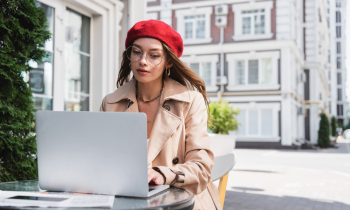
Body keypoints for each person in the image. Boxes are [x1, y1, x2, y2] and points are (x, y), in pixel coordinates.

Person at [100, 20, 221, 210]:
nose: (143, 61)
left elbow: (201, 170)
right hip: (127, 201)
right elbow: (101, 159)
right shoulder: (111, 102)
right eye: (137, 51)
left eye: (154, 55)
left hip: (182, 203)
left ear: (169, 61)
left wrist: (162, 174)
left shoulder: (190, 101)